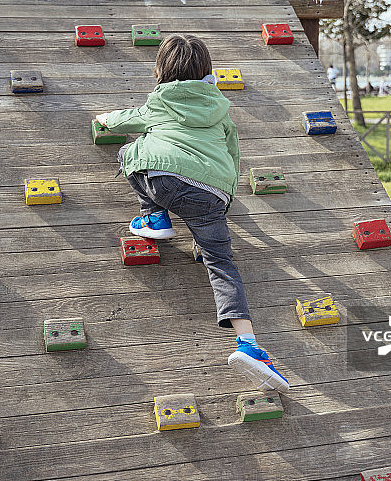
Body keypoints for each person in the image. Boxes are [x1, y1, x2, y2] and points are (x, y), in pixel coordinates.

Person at [95, 34, 289, 393]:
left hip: (165, 180)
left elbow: (129, 120)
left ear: (162, 70)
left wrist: (105, 118)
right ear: (208, 71)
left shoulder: (161, 101)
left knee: (131, 152)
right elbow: (233, 154)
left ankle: (153, 217)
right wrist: (224, 202)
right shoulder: (220, 108)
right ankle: (249, 345)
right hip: (211, 194)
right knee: (221, 262)